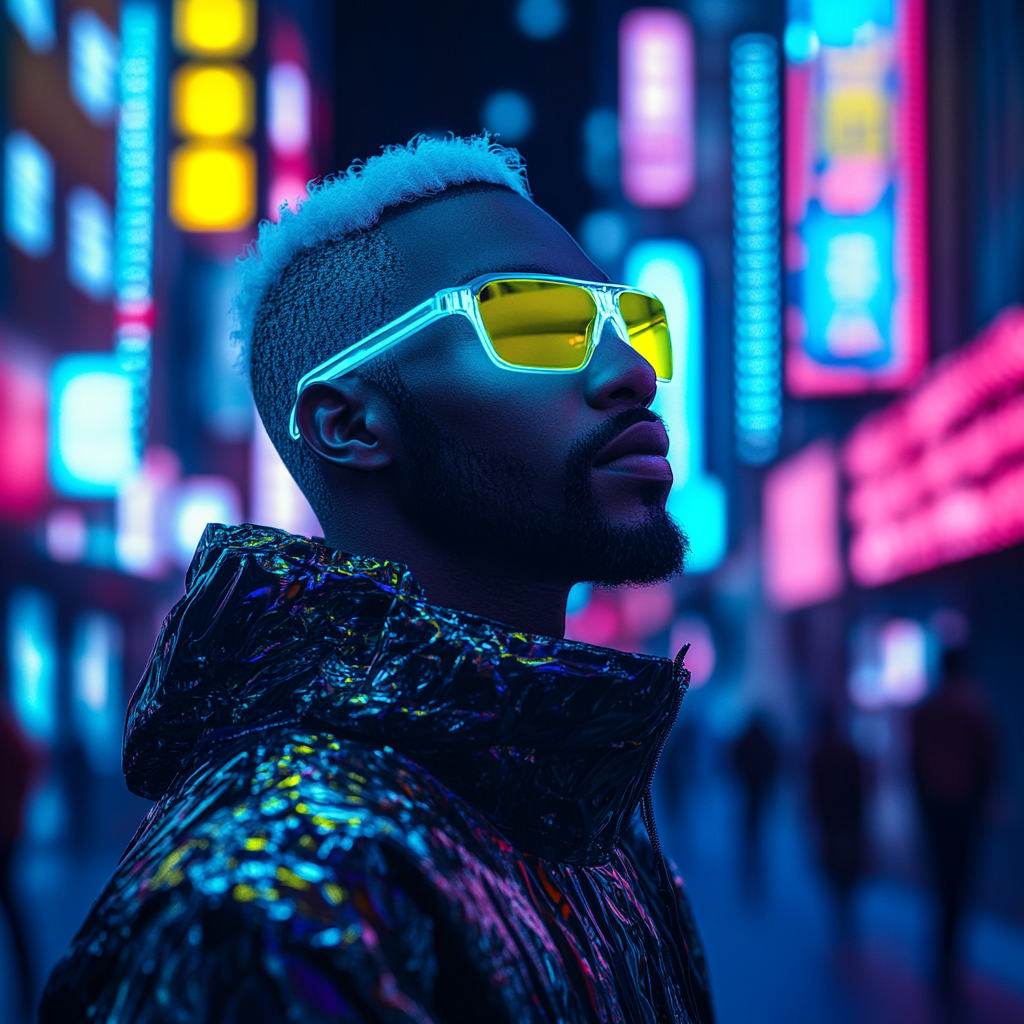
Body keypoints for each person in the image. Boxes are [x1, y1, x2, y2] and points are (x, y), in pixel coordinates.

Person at [41, 136, 714, 1023]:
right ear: (351, 423)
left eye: (635, 322)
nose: (633, 370)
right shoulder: (260, 903)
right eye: (534, 322)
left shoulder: (590, 816)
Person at [911, 648, 997, 996]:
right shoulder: (975, 707)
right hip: (964, 809)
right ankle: (950, 960)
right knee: (959, 886)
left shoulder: (927, 710)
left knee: (941, 882)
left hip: (935, 808)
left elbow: (913, 762)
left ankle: (940, 959)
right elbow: (989, 761)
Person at [808, 706, 866, 941]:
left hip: (830, 820)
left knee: (835, 867)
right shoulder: (847, 751)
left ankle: (841, 912)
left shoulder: (819, 753)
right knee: (847, 867)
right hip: (847, 819)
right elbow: (859, 789)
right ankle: (846, 912)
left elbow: (814, 790)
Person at [0, 707, 36, 1023]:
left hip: (4, 834)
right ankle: (26, 989)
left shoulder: (5, 729)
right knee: (12, 909)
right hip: (8, 832)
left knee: (11, 909)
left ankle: (26, 989)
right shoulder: (10, 728)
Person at [729, 713, 779, 901]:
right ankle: (756, 874)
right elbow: (774, 764)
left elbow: (736, 760)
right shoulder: (767, 740)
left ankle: (747, 872)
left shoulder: (745, 739)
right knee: (757, 832)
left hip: (748, 790)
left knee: (748, 832)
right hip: (759, 792)